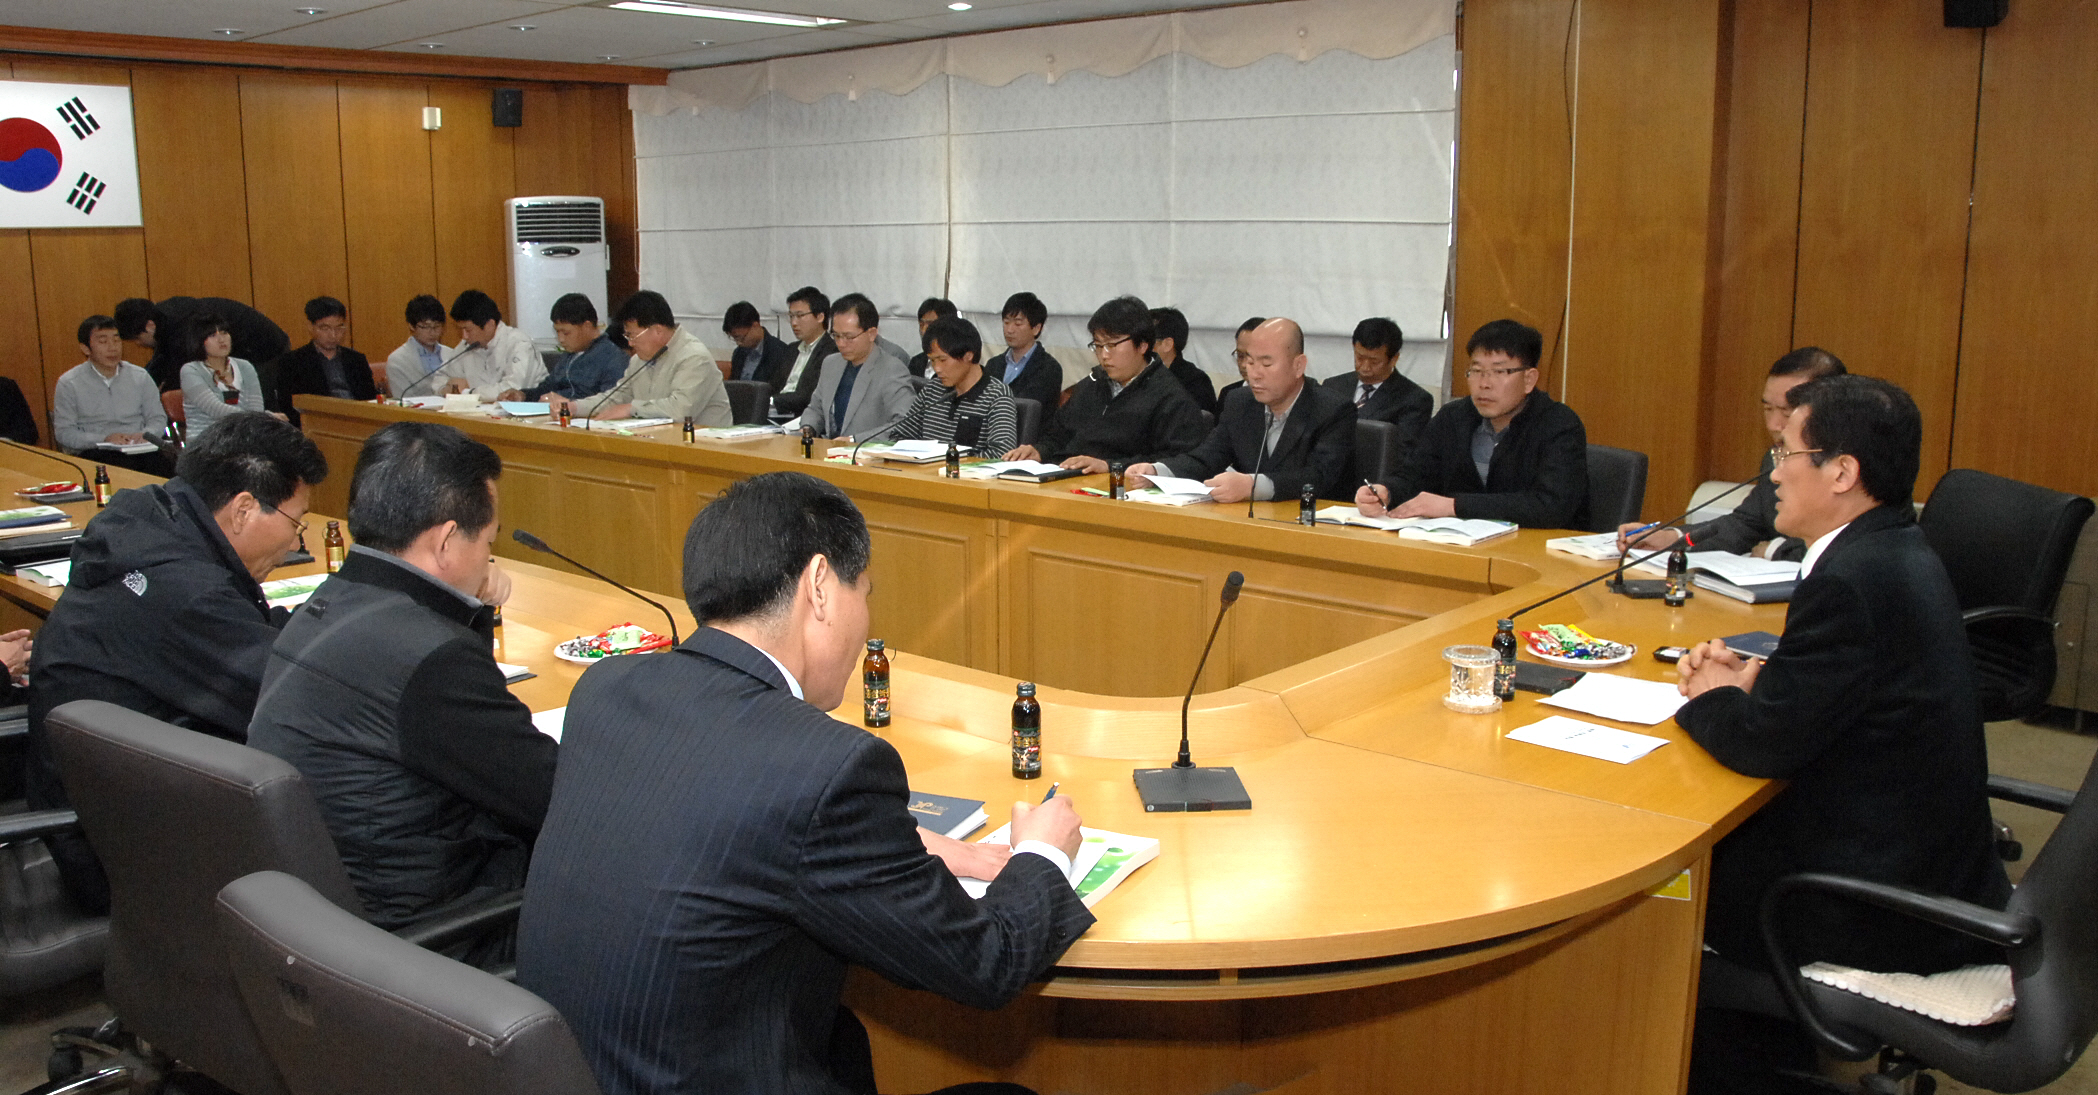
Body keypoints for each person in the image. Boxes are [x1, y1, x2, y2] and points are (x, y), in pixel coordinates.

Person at [517, 471, 1094, 1095]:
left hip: (586, 1072)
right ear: (820, 586)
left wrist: (902, 844)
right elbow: (984, 963)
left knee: (844, 1037)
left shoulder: (606, 690)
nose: (866, 621)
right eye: (864, 591)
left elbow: (720, 821)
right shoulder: (829, 765)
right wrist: (1043, 852)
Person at [1673, 375, 2010, 1085]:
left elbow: (1762, 745)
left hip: (1876, 900)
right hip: (1930, 861)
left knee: (1667, 881)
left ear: (1842, 471)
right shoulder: (1888, 549)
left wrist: (1711, 694)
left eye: (1786, 454)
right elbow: (1828, 701)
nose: (1772, 473)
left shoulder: (1850, 580)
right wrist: (1761, 690)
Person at [248, 421, 554, 949]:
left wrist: (471, 606)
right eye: (488, 541)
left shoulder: (330, 601)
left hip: (332, 915)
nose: (489, 558)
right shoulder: (431, 658)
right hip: (432, 933)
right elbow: (550, 795)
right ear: (446, 540)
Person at [27, 414, 328, 913]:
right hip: (130, 855)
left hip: (101, 813)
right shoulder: (185, 594)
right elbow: (291, 703)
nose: (297, 543)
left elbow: (244, 632)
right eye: (297, 523)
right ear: (243, 509)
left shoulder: (147, 522)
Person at [1356, 319, 1589, 529]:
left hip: (1533, 551)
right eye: (1476, 371)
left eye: (1499, 371)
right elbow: (1415, 475)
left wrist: (1454, 506)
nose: (1484, 384)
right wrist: (1386, 492)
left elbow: (1551, 506)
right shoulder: (1453, 417)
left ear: (1529, 379)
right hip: (1457, 546)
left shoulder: (1559, 425)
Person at [1621, 347, 1847, 561]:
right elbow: (1745, 524)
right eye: (1768, 409)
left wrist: (1775, 550)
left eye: (1786, 413)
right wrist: (1672, 539)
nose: (1773, 425)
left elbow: (1848, 544)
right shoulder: (1774, 458)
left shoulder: (1848, 468)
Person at [1129, 317, 1356, 504]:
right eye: (1249, 361)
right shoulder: (1240, 402)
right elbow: (1208, 457)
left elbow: (1319, 476)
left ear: (1298, 365)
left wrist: (1253, 486)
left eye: (1266, 364)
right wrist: (1157, 472)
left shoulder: (1332, 409)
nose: (1254, 374)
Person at [1004, 296, 1206, 473]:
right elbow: (1059, 434)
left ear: (1143, 345)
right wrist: (1038, 451)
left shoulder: (1171, 398)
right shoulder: (1092, 384)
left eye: (1111, 345)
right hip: (1069, 479)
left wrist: (1110, 466)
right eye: (1098, 346)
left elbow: (1174, 462)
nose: (1104, 355)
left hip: (1120, 490)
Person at [554, 290, 731, 426]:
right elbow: (617, 397)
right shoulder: (639, 360)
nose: (630, 343)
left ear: (657, 330)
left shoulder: (694, 357)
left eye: (632, 335)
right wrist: (575, 407)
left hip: (704, 446)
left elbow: (681, 409)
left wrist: (632, 409)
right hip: (659, 441)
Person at [53, 314, 169, 473]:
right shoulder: (69, 383)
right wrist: (104, 438)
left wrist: (146, 434)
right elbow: (65, 433)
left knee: (167, 469)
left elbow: (158, 418)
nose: (112, 347)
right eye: (103, 342)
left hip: (140, 448)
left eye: (116, 340)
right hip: (97, 451)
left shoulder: (140, 376)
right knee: (121, 468)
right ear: (85, 348)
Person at [888, 316, 1018, 455]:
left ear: (968, 356)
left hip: (964, 469)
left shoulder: (997, 396)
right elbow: (899, 437)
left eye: (943, 360)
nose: (937, 368)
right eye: (932, 361)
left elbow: (1001, 453)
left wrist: (949, 461)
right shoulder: (932, 390)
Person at [115, 295, 289, 392]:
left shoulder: (184, 330)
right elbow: (161, 361)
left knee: (254, 406)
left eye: (137, 338)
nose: (138, 344)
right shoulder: (163, 317)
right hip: (248, 350)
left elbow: (178, 377)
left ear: (149, 326)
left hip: (266, 351)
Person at [802, 293, 914, 442]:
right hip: (829, 449)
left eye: (849, 337)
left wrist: (854, 440)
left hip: (865, 452)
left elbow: (905, 424)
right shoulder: (831, 363)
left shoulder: (892, 369)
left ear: (871, 334)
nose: (841, 344)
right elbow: (816, 408)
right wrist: (808, 428)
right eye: (836, 336)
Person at [272, 296, 377, 424]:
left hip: (359, 421)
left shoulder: (356, 359)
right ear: (310, 327)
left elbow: (370, 399)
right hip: (318, 425)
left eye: (339, 328)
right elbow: (290, 407)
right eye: (325, 328)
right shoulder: (292, 362)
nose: (333, 335)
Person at [1327, 317, 1432, 441]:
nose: (1365, 367)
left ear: (1394, 359)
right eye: (1359, 358)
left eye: (1374, 362)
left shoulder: (1414, 400)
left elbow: (1402, 449)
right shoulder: (1332, 386)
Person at [180, 313, 280, 441]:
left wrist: (260, 416)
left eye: (224, 333)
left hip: (243, 440)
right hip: (205, 443)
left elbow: (256, 407)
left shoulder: (245, 366)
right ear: (199, 341)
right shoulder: (191, 371)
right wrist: (263, 416)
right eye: (212, 335)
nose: (221, 340)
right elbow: (216, 410)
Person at [516, 293, 628, 403]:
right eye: (557, 332)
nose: (560, 339)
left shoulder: (613, 359)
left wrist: (568, 404)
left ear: (587, 326)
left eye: (566, 333)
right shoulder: (570, 355)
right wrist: (523, 395)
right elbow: (547, 389)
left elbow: (609, 403)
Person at [441, 289, 545, 402]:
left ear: (490, 324)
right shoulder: (466, 346)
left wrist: (470, 393)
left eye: (468, 330)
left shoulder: (519, 343)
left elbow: (513, 389)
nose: (464, 336)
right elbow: (440, 377)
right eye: (460, 329)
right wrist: (447, 388)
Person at [985, 292, 1065, 409]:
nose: (1009, 330)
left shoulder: (1049, 368)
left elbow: (1027, 408)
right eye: (1006, 322)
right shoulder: (993, 365)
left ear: (1036, 328)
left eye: (1018, 324)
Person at [774, 286, 837, 417]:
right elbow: (774, 385)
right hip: (776, 413)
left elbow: (809, 396)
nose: (793, 323)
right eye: (791, 316)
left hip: (804, 417)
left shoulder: (832, 351)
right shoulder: (791, 350)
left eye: (800, 316)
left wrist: (771, 401)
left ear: (820, 317)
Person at [1148, 307, 1218, 417]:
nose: (1139, 348)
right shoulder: (1137, 376)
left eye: (1146, 341)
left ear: (1167, 344)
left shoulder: (1195, 382)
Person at [385, 294, 452, 398]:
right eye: (425, 327)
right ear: (411, 326)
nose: (432, 332)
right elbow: (403, 400)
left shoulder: (452, 354)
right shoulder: (397, 360)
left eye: (437, 326)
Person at [723, 300, 795, 391]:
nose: (739, 343)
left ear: (755, 326)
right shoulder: (739, 353)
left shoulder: (780, 353)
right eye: (734, 339)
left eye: (741, 338)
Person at [1216, 316, 1265, 405]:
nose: (1243, 365)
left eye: (1251, 356)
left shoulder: (1284, 397)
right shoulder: (1228, 394)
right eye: (1240, 356)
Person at [907, 297, 958, 378]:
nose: (923, 330)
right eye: (921, 325)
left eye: (930, 324)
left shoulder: (958, 363)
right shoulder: (916, 362)